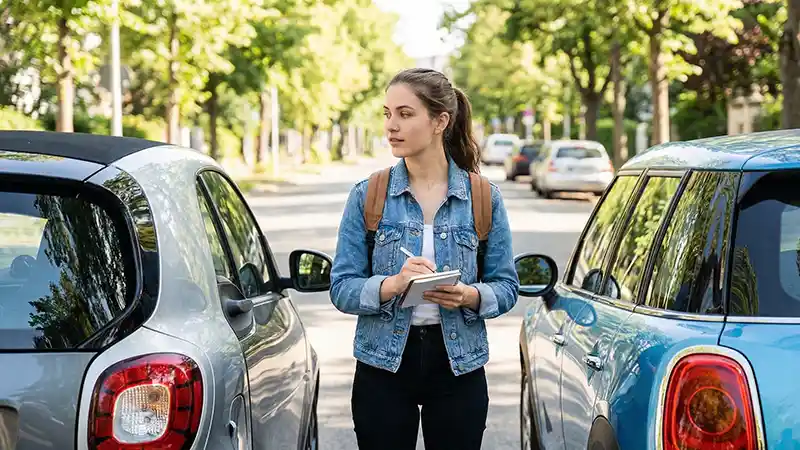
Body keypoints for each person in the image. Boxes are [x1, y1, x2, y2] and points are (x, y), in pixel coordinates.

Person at [329, 67, 520, 450]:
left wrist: (469, 296)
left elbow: (506, 286)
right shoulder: (368, 194)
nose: (391, 126)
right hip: (383, 364)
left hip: (458, 364)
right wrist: (393, 285)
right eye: (388, 114)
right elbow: (342, 287)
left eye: (405, 114)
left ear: (440, 121)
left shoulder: (482, 197)